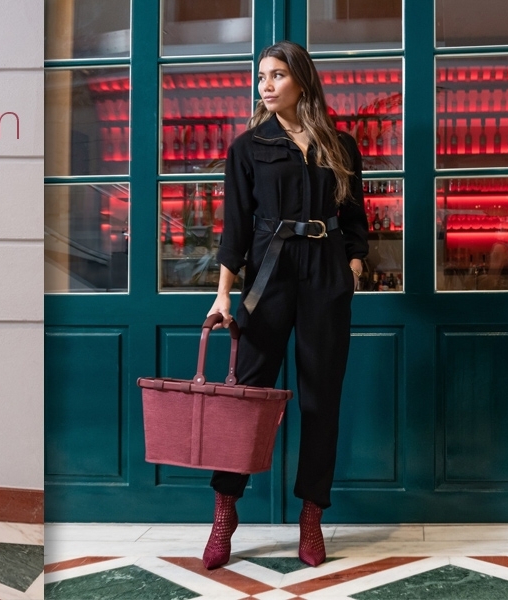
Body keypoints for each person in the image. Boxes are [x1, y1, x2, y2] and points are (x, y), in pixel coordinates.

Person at [202, 40, 369, 570]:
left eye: (276, 75)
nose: (265, 84)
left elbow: (356, 219)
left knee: (321, 399)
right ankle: (225, 513)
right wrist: (224, 294)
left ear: (302, 80)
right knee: (246, 398)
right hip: (267, 276)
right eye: (261, 77)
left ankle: (311, 517)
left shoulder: (340, 146)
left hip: (325, 274)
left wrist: (353, 265)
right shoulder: (248, 147)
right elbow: (234, 227)